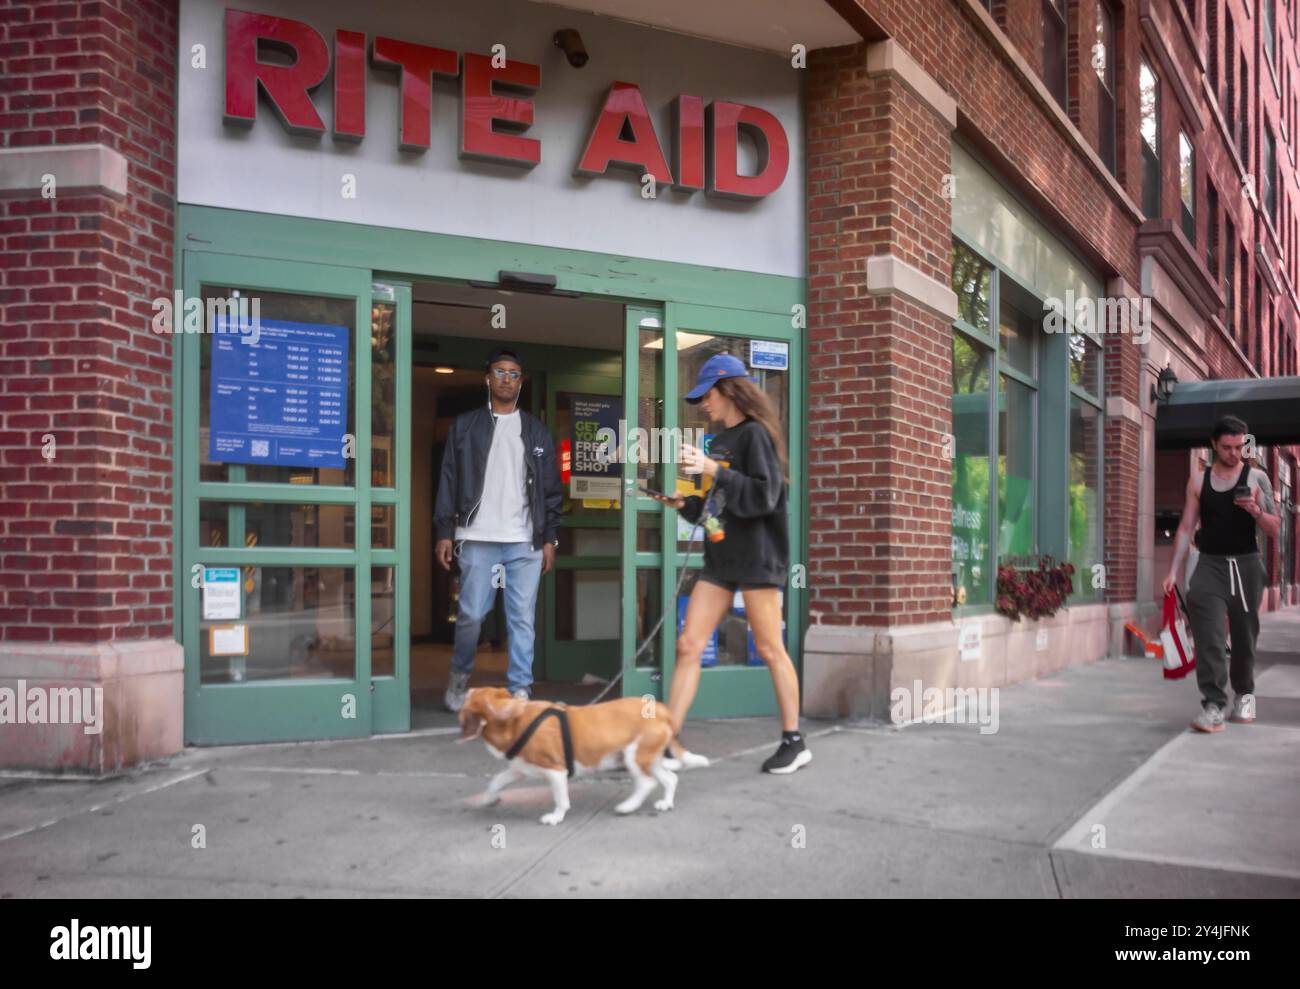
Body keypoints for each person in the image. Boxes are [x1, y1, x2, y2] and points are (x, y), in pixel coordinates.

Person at [646, 353, 810, 774]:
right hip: (721, 558)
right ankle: (667, 740)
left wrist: (711, 468)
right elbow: (718, 506)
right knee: (688, 645)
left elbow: (764, 497)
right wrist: (683, 503)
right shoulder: (719, 442)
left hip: (757, 558)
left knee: (771, 649)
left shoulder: (755, 436)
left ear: (730, 391)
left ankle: (795, 741)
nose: (704, 404)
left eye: (708, 394)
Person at [435, 348, 562, 710]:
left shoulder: (536, 431)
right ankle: (460, 677)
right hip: (477, 538)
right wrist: (444, 531)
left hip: (525, 540)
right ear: (487, 378)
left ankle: (520, 687)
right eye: (500, 372)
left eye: (514, 374)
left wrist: (550, 538)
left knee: (522, 618)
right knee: (472, 615)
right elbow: (449, 479)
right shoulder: (465, 426)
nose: (507, 379)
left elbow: (551, 490)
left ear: (521, 382)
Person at [1163, 415, 1280, 732]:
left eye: (1240, 446)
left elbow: (1274, 528)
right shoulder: (1198, 481)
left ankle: (1246, 695)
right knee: (1210, 638)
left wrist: (1256, 511)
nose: (1234, 453)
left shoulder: (1258, 479)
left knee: (1244, 638)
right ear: (1214, 445)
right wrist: (1173, 570)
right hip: (1210, 565)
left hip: (1245, 565)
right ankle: (1213, 704)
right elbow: (1186, 527)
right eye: (1227, 447)